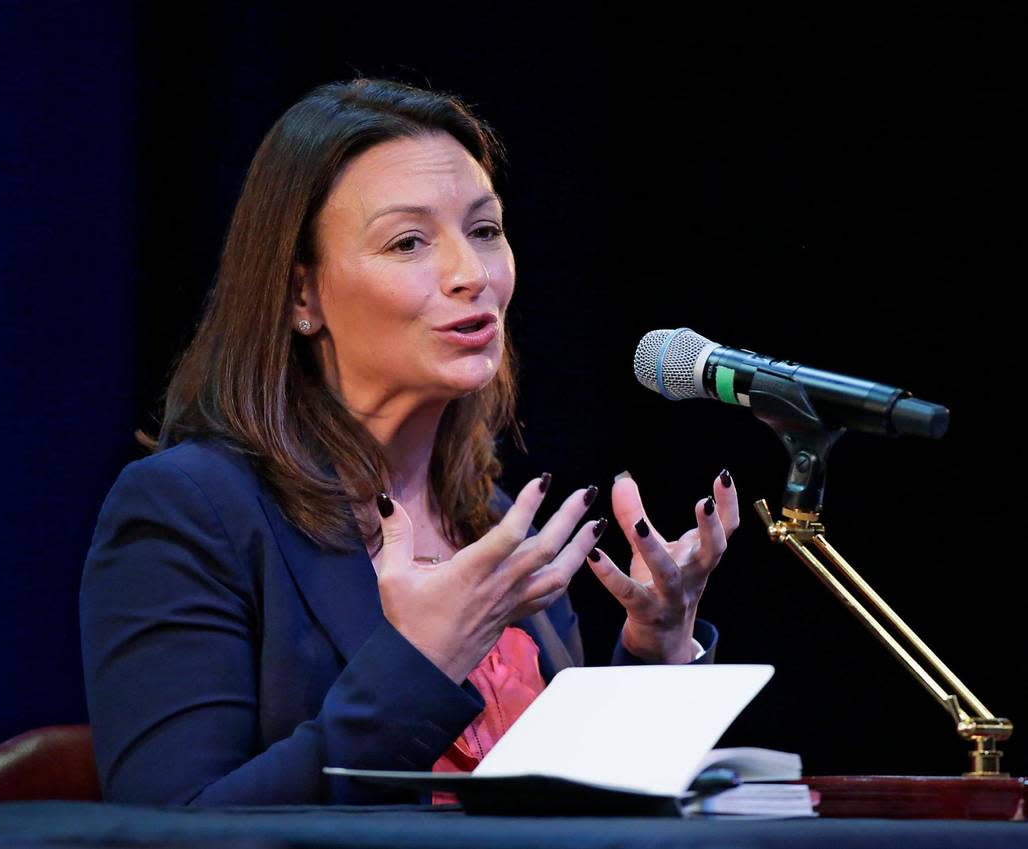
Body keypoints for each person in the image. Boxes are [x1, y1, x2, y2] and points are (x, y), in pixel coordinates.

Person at [79, 77, 739, 807]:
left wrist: (656, 649)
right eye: (409, 241)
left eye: (485, 230)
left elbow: (561, 810)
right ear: (302, 296)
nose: (471, 274)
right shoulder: (192, 511)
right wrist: (420, 662)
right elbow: (167, 828)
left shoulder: (492, 522)